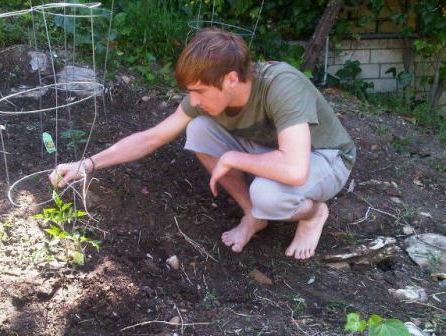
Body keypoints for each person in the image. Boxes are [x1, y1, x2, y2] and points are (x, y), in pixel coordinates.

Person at [49, 28, 356, 260]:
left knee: (268, 194)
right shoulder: (208, 93)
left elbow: (294, 168)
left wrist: (234, 158)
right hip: (274, 150)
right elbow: (153, 136)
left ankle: (313, 214)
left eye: (199, 91)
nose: (193, 100)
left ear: (231, 79)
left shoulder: (281, 85)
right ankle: (254, 215)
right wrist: (86, 164)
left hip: (325, 158)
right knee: (198, 130)